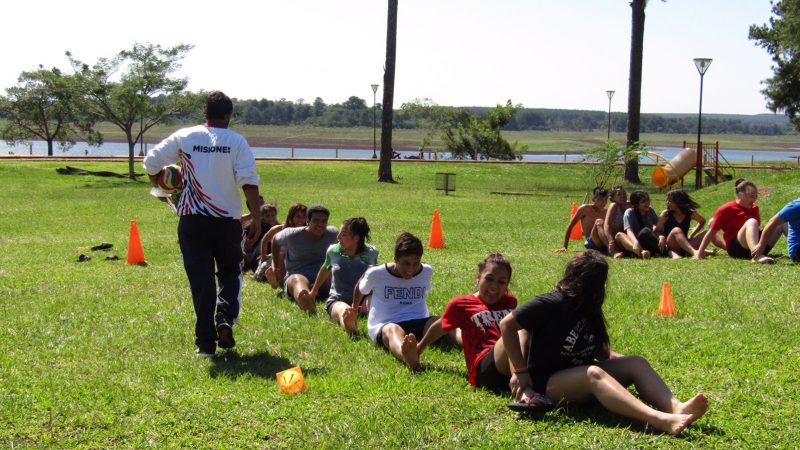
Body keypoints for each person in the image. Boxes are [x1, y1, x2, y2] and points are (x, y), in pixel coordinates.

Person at [499, 251, 709, 436]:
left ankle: (676, 407)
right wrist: (520, 371)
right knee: (593, 374)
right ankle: (658, 419)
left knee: (636, 362)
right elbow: (507, 325)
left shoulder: (589, 308)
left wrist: (630, 368)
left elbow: (602, 354)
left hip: (576, 374)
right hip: (549, 385)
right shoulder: (551, 303)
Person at [143, 91, 261, 357]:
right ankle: (225, 318)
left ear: (205, 114)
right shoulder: (237, 142)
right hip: (226, 223)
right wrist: (255, 216)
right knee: (231, 272)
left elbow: (150, 163)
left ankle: (205, 345)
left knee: (201, 281)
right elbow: (249, 182)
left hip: (192, 222)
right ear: (229, 115)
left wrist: (161, 187)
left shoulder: (185, 136)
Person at [416, 253, 520, 392]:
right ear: (478, 278)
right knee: (517, 330)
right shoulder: (461, 304)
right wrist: (419, 348)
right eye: (489, 279)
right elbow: (441, 326)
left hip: (510, 364)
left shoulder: (509, 302)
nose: (494, 287)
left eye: (501, 282)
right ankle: (523, 388)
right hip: (485, 369)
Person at [355, 232, 457, 369]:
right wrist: (354, 308)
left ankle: (473, 343)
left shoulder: (426, 271)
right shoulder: (376, 274)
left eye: (416, 263)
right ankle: (408, 357)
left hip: (418, 320)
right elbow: (360, 289)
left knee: (444, 321)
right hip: (386, 323)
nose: (411, 270)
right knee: (392, 330)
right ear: (395, 258)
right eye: (406, 264)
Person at [308, 217, 379, 333]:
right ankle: (349, 325)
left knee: (373, 308)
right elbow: (325, 268)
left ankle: (366, 316)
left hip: (364, 297)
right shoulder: (333, 251)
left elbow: (374, 276)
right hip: (338, 298)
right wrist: (314, 291)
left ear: (356, 238)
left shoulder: (371, 253)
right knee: (344, 311)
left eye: (344, 234)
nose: (338, 237)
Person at [273, 204, 338, 313]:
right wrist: (276, 265)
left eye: (324, 221)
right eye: (316, 221)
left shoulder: (332, 234)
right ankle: (307, 303)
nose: (320, 225)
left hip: (322, 277)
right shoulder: (291, 235)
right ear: (307, 221)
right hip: (298, 274)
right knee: (297, 280)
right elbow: (275, 240)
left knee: (335, 272)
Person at [695, 179, 771, 262]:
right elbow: (711, 233)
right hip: (736, 249)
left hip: (753, 246)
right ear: (740, 195)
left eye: (755, 196)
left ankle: (786, 252)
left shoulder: (754, 208)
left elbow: (754, 231)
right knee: (751, 221)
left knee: (780, 223)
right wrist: (700, 253)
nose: (754, 199)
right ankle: (757, 256)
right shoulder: (726, 209)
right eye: (751, 196)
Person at [253, 203, 308, 285]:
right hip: (277, 258)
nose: (301, 219)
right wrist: (263, 257)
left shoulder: (307, 231)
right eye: (298, 216)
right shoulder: (279, 229)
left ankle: (279, 279)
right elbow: (264, 240)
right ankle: (275, 277)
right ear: (291, 217)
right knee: (275, 261)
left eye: (304, 216)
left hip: (296, 260)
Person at [655, 189, 710, 259]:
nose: (668, 203)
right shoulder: (666, 214)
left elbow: (702, 221)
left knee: (709, 232)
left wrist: (692, 234)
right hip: (672, 245)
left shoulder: (689, 213)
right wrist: (661, 237)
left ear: (679, 201)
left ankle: (727, 248)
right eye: (667, 200)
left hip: (686, 245)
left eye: (670, 201)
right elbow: (657, 230)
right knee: (676, 230)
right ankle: (695, 253)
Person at [556, 187, 609, 253]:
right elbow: (570, 226)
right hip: (591, 242)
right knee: (599, 222)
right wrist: (564, 246)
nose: (603, 203)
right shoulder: (585, 209)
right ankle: (611, 248)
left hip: (603, 241)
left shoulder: (606, 212)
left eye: (605, 200)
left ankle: (612, 247)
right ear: (593, 199)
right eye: (600, 200)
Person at [615, 190, 659, 259]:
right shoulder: (629, 212)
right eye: (643, 201)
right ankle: (641, 252)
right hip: (633, 243)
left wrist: (661, 236)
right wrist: (635, 242)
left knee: (645, 231)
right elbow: (629, 231)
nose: (647, 203)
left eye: (648, 200)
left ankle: (644, 252)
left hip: (647, 241)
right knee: (619, 235)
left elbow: (659, 226)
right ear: (636, 204)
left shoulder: (650, 211)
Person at [751, 198, 795, 262]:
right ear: (739, 194)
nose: (754, 197)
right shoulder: (731, 207)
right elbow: (772, 222)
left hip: (761, 245)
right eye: (751, 194)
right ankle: (756, 255)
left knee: (782, 223)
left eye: (754, 194)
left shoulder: (754, 208)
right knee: (752, 222)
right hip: (741, 247)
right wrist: (760, 245)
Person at [242, 202, 278, 272]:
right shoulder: (258, 227)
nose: (271, 218)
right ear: (262, 217)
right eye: (267, 216)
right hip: (254, 255)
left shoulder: (277, 226)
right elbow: (247, 243)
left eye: (273, 215)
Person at [603, 185, 630, 258]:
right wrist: (611, 241)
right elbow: (607, 224)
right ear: (613, 198)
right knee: (599, 223)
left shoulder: (629, 205)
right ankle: (613, 251)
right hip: (614, 237)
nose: (623, 196)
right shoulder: (613, 206)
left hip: (625, 236)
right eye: (619, 194)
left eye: (624, 194)